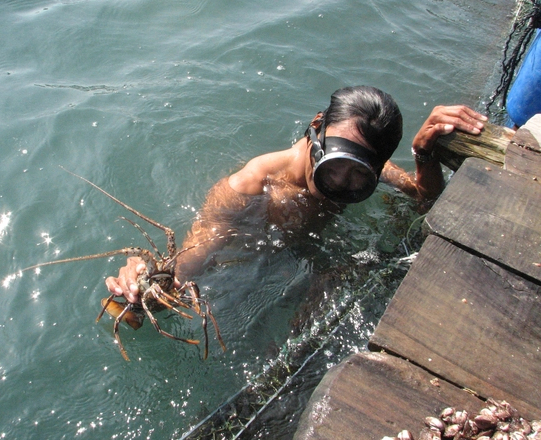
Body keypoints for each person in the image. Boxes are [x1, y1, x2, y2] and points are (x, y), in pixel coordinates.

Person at [106, 86, 487, 303]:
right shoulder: (249, 187)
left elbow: (428, 201)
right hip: (254, 273)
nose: (341, 184)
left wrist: (424, 154)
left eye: (360, 176)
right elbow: (188, 265)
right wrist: (140, 285)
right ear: (317, 127)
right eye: (336, 163)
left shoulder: (369, 169)